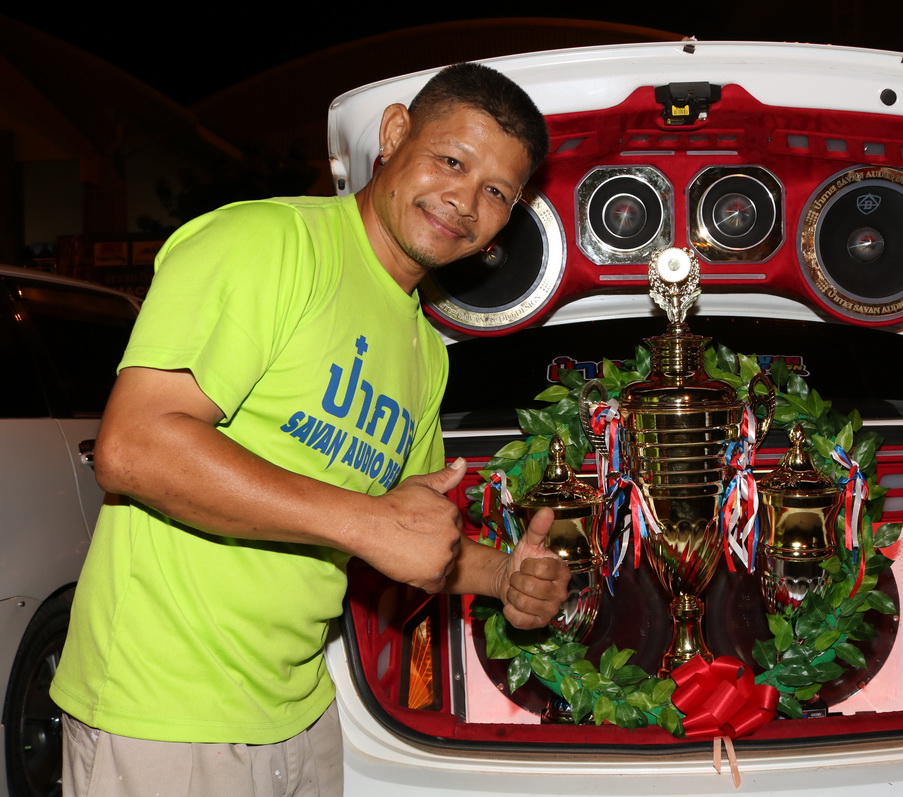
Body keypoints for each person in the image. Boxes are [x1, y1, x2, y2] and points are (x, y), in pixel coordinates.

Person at [49, 62, 567, 796]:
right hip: (165, 707)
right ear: (394, 134)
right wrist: (366, 522)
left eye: (496, 192)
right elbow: (135, 447)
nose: (464, 200)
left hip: (300, 710)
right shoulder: (270, 242)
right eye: (451, 161)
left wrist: (503, 576)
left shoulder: (424, 352)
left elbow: (400, 535)